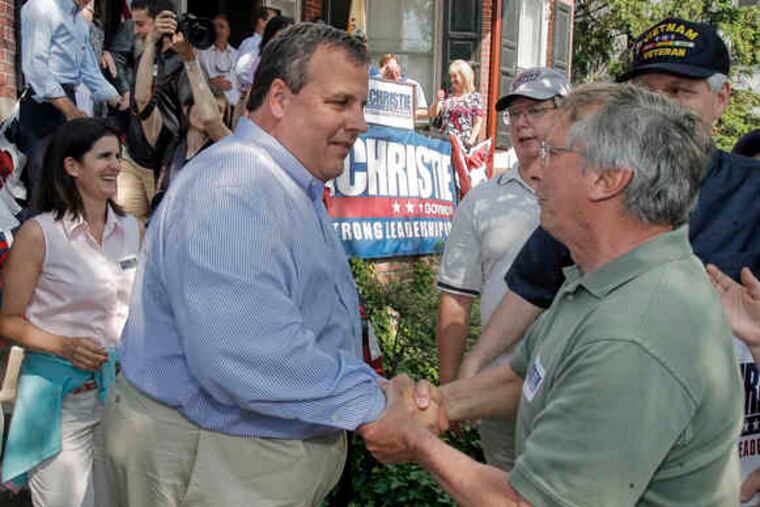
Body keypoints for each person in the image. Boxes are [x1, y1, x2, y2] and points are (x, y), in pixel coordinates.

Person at [361, 82, 743, 506]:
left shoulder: (633, 334)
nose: (537, 170)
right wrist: (441, 404)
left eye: (552, 153)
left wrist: (415, 440)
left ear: (607, 179)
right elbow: (526, 376)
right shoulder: (600, 278)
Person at [456, 17, 760, 505]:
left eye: (678, 91)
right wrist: (462, 380)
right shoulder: (583, 228)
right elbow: (529, 298)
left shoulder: (751, 191)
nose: (658, 106)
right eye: (644, 90)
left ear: (721, 99)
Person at [102, 23, 398, 507]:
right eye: (341, 103)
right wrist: (376, 403)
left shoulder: (281, 184)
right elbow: (248, 355)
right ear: (280, 98)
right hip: (211, 464)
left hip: (234, 460)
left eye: (362, 105)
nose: (360, 122)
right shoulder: (236, 189)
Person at [0, 118, 141, 507]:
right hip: (60, 404)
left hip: (119, 399)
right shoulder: (39, 234)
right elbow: (8, 321)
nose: (116, 165)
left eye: (119, 156)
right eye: (105, 156)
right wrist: (64, 346)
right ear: (71, 166)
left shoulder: (132, 229)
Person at [436, 67, 568, 472]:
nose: (523, 123)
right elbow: (455, 299)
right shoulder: (480, 202)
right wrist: (451, 389)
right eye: (516, 114)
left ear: (568, 114)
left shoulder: (596, 191)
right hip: (500, 388)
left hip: (573, 388)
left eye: (536, 110)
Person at [18, 0, 123, 214]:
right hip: (43, 106)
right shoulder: (40, 7)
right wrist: (71, 111)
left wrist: (119, 101)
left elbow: (90, 71)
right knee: (44, 184)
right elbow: (35, 68)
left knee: (70, 182)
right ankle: (41, 243)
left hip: (70, 100)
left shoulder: (80, 22)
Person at [116, 1, 186, 223]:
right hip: (132, 160)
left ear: (162, 23)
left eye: (140, 24)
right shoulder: (143, 57)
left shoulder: (184, 63)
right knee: (126, 238)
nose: (135, 31)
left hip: (162, 169)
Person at [429, 60, 484, 149]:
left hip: (463, 145)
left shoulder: (474, 98)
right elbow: (432, 114)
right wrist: (437, 101)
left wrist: (471, 141)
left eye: (455, 76)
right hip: (443, 145)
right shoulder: (448, 97)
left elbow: (477, 122)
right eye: (451, 77)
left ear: (464, 76)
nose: (452, 80)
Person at [234, 7, 277, 96]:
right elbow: (242, 71)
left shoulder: (269, 43)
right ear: (261, 22)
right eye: (272, 21)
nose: (275, 25)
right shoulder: (251, 43)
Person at [198, 14, 239, 107]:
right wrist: (211, 83)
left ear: (228, 31)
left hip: (234, 107)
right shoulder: (201, 53)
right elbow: (195, 78)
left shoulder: (237, 54)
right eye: (214, 27)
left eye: (221, 26)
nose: (217, 30)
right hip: (211, 108)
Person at [378, 53, 428, 120]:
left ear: (399, 67)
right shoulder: (376, 85)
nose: (391, 70)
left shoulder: (412, 85)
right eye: (387, 67)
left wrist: (404, 115)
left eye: (394, 66)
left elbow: (424, 111)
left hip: (403, 128)